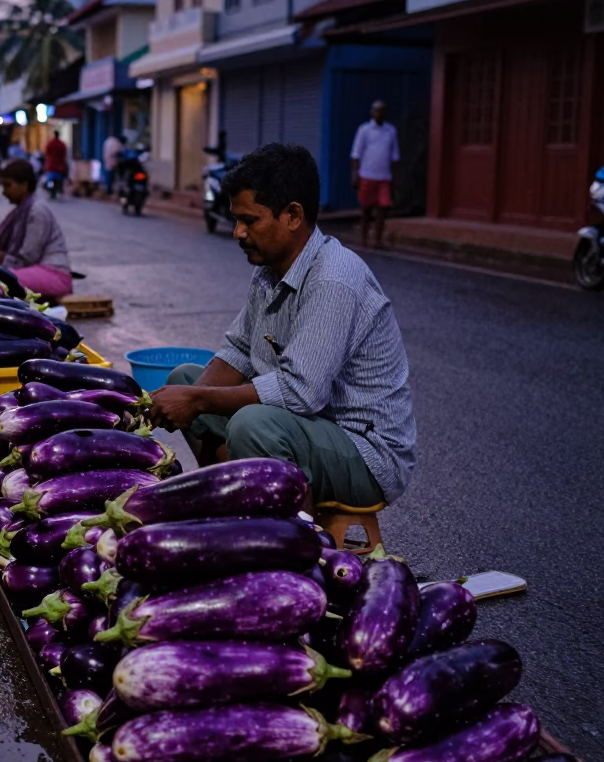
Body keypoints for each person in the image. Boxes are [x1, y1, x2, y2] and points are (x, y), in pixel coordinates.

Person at [150, 143, 415, 510]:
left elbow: (300, 392)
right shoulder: (268, 270)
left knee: (252, 424)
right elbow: (239, 350)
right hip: (304, 428)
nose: (238, 232)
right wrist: (185, 399)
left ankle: (295, 549)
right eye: (236, 220)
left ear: (292, 215)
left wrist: (197, 400)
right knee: (183, 379)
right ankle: (230, 507)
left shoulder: (333, 279)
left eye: (249, 220)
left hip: (365, 452)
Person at [0, 159, 73, 298]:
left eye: (8, 185)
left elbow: (25, 260)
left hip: (54, 274)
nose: (4, 192)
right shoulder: (21, 211)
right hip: (33, 271)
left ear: (24, 185)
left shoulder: (37, 211)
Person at [351, 100, 400, 249]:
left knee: (382, 210)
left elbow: (395, 155)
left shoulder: (390, 131)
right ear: (372, 113)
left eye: (383, 111)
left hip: (384, 177)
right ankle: (363, 239)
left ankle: (377, 240)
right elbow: (356, 154)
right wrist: (355, 175)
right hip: (367, 175)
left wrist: (396, 176)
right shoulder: (364, 130)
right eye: (377, 111)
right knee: (366, 209)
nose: (380, 113)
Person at [44, 128, 69, 194]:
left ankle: (50, 188)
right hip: (59, 166)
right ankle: (59, 188)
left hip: (51, 165)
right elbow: (64, 154)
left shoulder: (50, 143)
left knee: (50, 179)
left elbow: (47, 153)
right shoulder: (62, 144)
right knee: (59, 179)